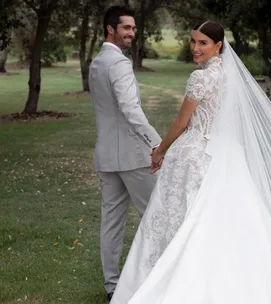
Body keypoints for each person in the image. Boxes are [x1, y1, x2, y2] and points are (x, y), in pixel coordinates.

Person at [111, 20, 271, 304]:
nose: (195, 48)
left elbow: (182, 122)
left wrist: (160, 150)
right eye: (193, 41)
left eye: (203, 43)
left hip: (195, 154)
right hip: (226, 154)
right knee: (227, 221)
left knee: (185, 220)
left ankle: (176, 280)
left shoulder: (200, 78)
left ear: (218, 45)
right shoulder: (230, 74)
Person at [88, 6, 161, 302]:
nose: (132, 33)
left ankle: (112, 286)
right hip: (132, 157)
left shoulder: (97, 62)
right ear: (110, 29)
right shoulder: (118, 63)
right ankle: (156, 279)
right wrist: (158, 143)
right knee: (154, 215)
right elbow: (130, 109)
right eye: (126, 28)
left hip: (108, 155)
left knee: (111, 222)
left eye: (133, 28)